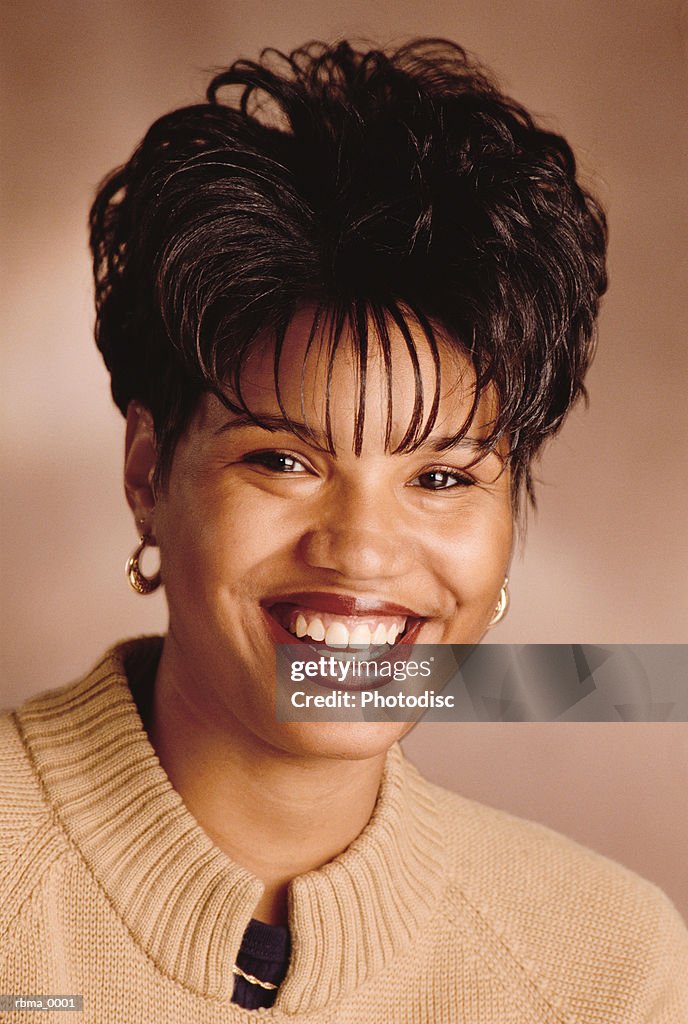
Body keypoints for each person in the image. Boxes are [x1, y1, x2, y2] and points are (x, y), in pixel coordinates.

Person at [1, 38, 686, 1023]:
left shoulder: (605, 967)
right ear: (148, 473)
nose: (363, 551)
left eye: (441, 476)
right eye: (282, 459)